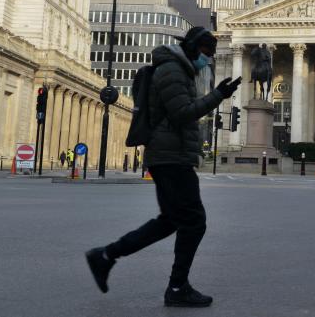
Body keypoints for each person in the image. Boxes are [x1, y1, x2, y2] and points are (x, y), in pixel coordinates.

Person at [85, 26, 240, 308]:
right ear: (192, 48)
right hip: (170, 157)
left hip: (170, 156)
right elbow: (182, 114)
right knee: (193, 221)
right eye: (206, 53)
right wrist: (218, 95)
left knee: (171, 220)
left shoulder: (178, 70)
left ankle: (106, 256)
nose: (208, 59)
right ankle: (177, 286)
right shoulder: (172, 71)